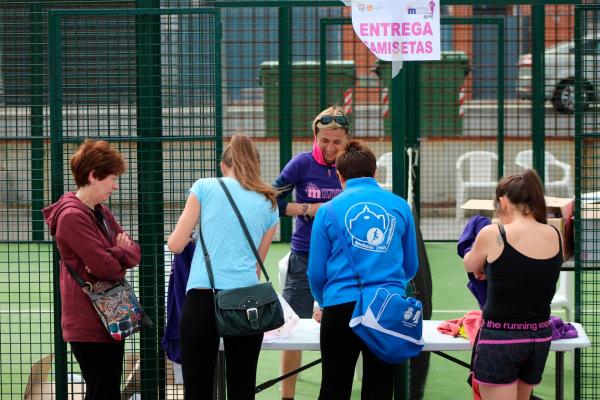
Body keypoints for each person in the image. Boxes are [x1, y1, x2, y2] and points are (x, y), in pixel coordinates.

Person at [168, 134, 279, 400]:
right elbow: (256, 265)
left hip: (203, 297)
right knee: (242, 386)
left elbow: (175, 244)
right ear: (256, 164)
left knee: (198, 387)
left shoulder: (204, 187)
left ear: (223, 165)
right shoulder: (269, 201)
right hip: (247, 300)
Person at [307, 140, 419, 400]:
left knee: (334, 386)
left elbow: (315, 272)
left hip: (339, 306)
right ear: (375, 172)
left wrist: (327, 302)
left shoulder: (328, 211)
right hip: (386, 306)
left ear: (339, 175)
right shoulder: (399, 206)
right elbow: (410, 265)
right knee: (379, 388)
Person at [42, 139, 141, 400]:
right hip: (88, 319)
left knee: (104, 390)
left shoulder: (100, 211)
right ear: (93, 176)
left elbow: (134, 252)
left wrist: (116, 253)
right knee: (102, 390)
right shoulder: (72, 217)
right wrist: (117, 254)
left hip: (110, 315)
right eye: (112, 178)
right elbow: (107, 269)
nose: (115, 185)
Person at [463, 169, 562, 400]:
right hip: (539, 338)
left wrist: (480, 259)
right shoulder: (554, 233)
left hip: (500, 338)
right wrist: (496, 271)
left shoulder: (493, 233)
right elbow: (531, 272)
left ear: (503, 202)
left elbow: (469, 264)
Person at [272, 106, 349, 399]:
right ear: (315, 136)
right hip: (303, 256)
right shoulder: (302, 164)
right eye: (324, 140)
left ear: (347, 139)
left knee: (344, 329)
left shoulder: (352, 165)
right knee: (292, 329)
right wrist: (307, 209)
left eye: (337, 141)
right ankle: (287, 396)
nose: (330, 147)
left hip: (344, 262)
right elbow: (273, 201)